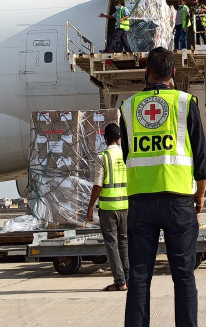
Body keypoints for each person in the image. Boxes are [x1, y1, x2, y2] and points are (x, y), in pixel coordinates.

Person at [120, 47, 206, 327]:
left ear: (146, 72)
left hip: (140, 203)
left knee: (138, 277)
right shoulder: (186, 103)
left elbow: (126, 155)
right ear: (173, 73)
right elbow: (200, 158)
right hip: (178, 201)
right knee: (183, 276)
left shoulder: (128, 107)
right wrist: (200, 196)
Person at [85, 123, 130, 291]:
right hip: (125, 206)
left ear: (104, 138)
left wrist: (90, 209)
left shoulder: (102, 157)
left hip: (108, 208)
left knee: (112, 244)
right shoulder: (126, 155)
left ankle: (120, 282)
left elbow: (97, 185)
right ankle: (128, 279)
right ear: (119, 138)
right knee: (124, 243)